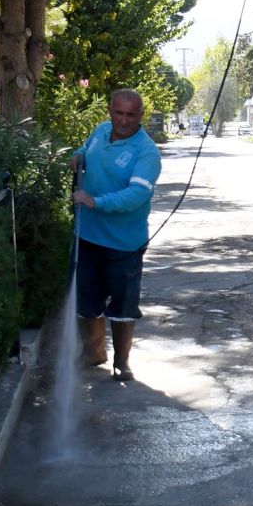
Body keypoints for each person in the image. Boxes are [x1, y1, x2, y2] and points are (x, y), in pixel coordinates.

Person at [71, 88, 161, 380]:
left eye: (130, 115)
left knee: (123, 303)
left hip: (124, 242)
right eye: (118, 113)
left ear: (140, 116)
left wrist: (95, 201)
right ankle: (94, 352)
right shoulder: (100, 130)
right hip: (87, 235)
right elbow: (86, 149)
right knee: (86, 300)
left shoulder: (146, 152)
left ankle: (122, 363)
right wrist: (78, 156)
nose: (123, 120)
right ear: (110, 111)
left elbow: (135, 195)